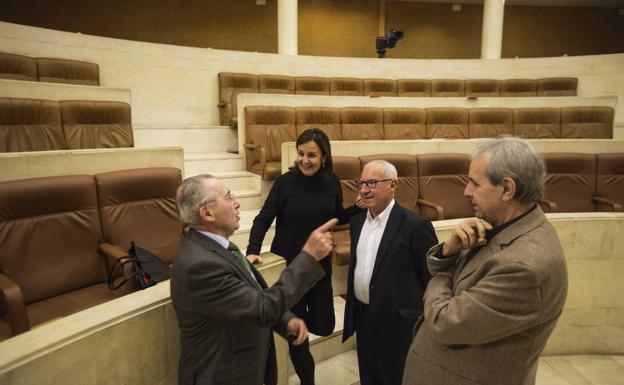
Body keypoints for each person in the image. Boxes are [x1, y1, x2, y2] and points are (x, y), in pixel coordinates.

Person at [402, 138, 568, 385]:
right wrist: (449, 250)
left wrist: (441, 276)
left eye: (474, 183)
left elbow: (444, 322)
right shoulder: (503, 224)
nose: (466, 191)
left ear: (507, 189)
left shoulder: (524, 268)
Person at [170, 174, 338, 385]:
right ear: (207, 213)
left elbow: (247, 299)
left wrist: (284, 321)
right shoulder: (201, 266)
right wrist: (308, 257)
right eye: (229, 197)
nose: (237, 203)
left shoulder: (218, 248)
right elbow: (262, 307)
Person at [246, 127, 362, 385]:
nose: (304, 160)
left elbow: (337, 215)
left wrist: (358, 208)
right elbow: (264, 218)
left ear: (324, 158)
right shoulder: (285, 183)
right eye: (300, 153)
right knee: (297, 340)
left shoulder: (331, 181)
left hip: (319, 266)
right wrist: (253, 250)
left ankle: (284, 318)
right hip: (291, 268)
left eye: (311, 155)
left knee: (325, 325)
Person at [342, 160, 438, 385]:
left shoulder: (415, 225)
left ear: (393, 185)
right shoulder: (357, 221)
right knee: (369, 377)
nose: (364, 189)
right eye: (362, 183)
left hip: (399, 325)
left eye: (372, 183)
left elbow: (432, 278)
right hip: (364, 319)